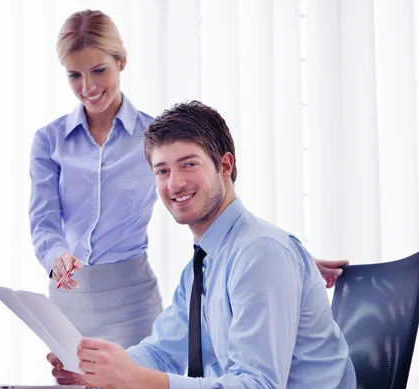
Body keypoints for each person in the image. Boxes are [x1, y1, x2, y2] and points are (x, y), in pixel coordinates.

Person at [29, 9, 346, 349]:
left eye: (99, 70)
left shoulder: (155, 139)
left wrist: (283, 257)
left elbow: (210, 200)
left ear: (121, 62)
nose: (88, 87)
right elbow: (43, 220)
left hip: (131, 300)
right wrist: (56, 256)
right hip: (68, 298)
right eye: (74, 75)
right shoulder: (50, 141)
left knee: (136, 384)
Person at [47, 101, 358, 389]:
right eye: (162, 171)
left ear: (225, 165)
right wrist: (97, 370)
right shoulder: (202, 265)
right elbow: (161, 352)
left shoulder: (260, 254)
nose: (175, 184)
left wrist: (145, 383)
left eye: (189, 164)